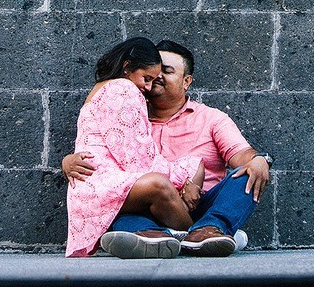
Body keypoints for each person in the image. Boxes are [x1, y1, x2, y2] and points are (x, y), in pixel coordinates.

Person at [62, 37, 271, 258]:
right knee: (122, 209)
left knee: (244, 176)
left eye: (167, 71)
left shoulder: (211, 118)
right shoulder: (129, 112)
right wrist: (69, 161)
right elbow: (103, 146)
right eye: (153, 74)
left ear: (186, 81)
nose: (157, 79)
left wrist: (258, 159)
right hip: (148, 209)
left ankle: (209, 229)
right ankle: (181, 236)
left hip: (201, 207)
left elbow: (241, 154)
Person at [64, 36, 206, 259]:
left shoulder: (103, 88)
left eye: (153, 80)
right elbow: (136, 157)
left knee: (191, 166)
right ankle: (197, 236)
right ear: (127, 67)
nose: (148, 87)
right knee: (161, 184)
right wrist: (179, 181)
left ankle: (169, 233)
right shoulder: (122, 88)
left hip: (97, 183)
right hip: (101, 183)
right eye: (146, 78)